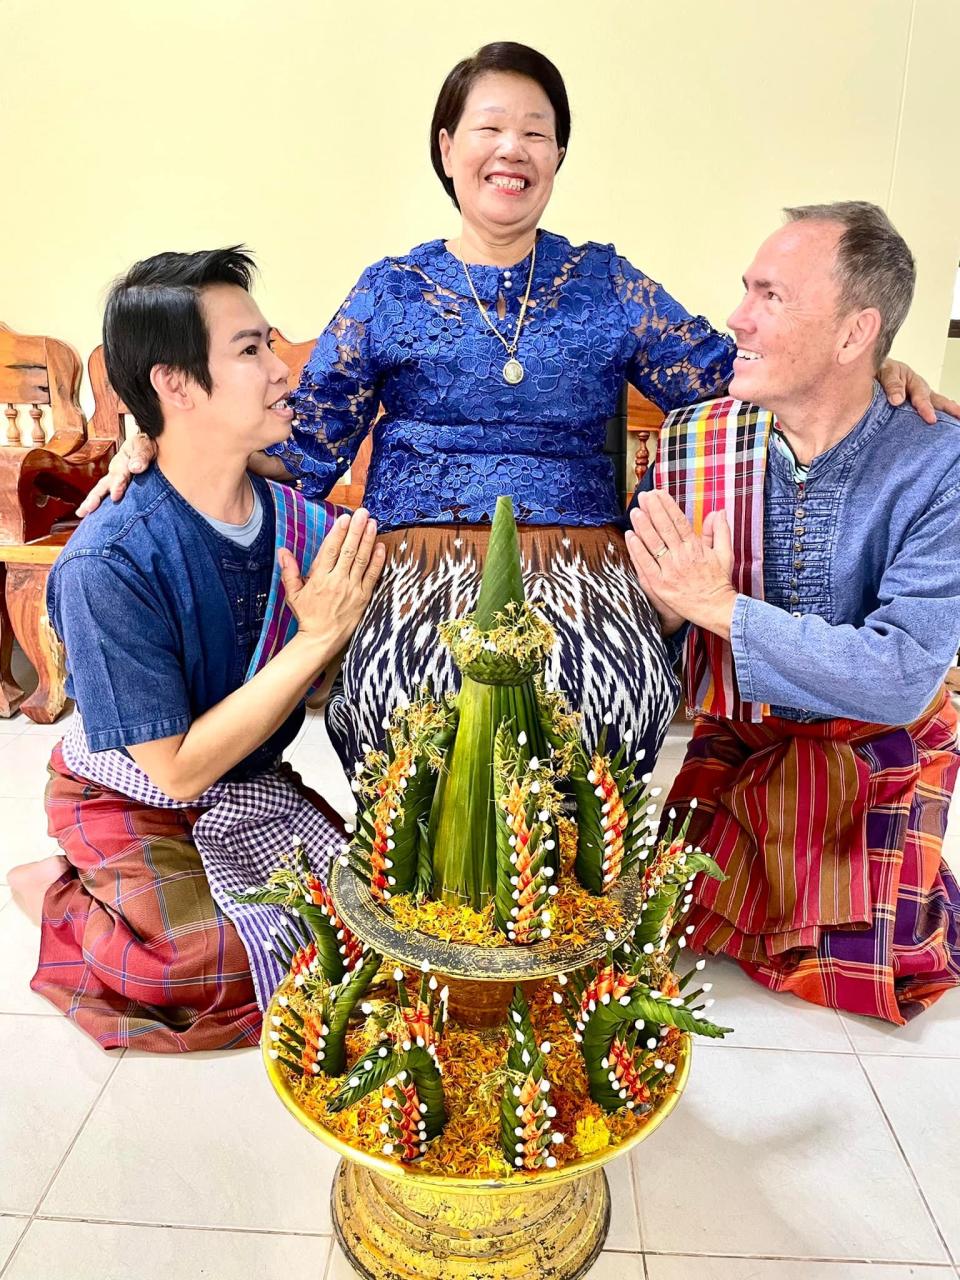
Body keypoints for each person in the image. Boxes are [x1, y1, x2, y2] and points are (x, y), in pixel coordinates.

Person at [82, 43, 956, 781]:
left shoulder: (608, 282)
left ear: (559, 157)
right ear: (447, 146)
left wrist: (877, 360)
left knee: (604, 709)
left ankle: (567, 910)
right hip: (418, 559)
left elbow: (744, 373)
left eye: (537, 132)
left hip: (580, 562)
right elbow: (302, 444)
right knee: (402, 711)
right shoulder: (390, 289)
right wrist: (155, 444)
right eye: (490, 128)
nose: (513, 149)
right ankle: (418, 909)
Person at [8, 248, 385, 1051]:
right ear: (174, 384)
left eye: (270, 342)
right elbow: (172, 768)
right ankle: (56, 892)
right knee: (196, 965)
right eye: (249, 350)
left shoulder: (299, 523)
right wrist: (316, 638)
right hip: (130, 793)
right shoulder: (109, 562)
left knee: (370, 928)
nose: (282, 369)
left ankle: (150, 894)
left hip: (243, 782)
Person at [627, 201, 960, 1024]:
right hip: (745, 737)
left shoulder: (939, 463)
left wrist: (720, 607)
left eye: (770, 296)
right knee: (677, 925)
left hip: (875, 742)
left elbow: (900, 675)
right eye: (746, 289)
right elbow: (646, 620)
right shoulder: (694, 442)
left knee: (873, 969)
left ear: (856, 335)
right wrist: (672, 612)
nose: (736, 317)